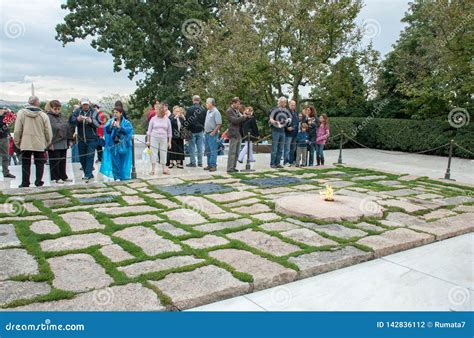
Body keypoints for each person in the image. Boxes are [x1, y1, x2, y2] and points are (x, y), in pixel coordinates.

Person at [14, 96, 52, 187]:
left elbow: (17, 130)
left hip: (25, 142)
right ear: (37, 103)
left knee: (26, 163)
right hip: (39, 142)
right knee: (40, 163)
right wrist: (48, 142)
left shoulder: (21, 113)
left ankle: (25, 182)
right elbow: (48, 131)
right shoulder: (43, 115)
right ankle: (38, 182)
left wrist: (17, 142)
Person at [70, 98, 101, 182]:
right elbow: (71, 121)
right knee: (82, 158)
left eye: (86, 104)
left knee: (90, 156)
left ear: (89, 104)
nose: (85, 106)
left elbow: (98, 124)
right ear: (81, 104)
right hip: (81, 139)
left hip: (92, 139)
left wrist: (91, 121)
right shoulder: (77, 111)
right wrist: (77, 119)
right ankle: (89, 174)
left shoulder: (94, 112)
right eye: (83, 104)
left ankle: (87, 175)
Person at [100, 108, 134, 180]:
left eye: (117, 112)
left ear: (121, 113)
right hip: (113, 146)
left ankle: (123, 176)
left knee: (123, 162)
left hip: (124, 146)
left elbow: (129, 132)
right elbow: (107, 132)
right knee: (114, 162)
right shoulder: (110, 122)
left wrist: (120, 127)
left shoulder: (126, 123)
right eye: (114, 112)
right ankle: (116, 177)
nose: (115, 114)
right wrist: (111, 127)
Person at [47, 100, 72, 183]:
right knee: (55, 160)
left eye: (58, 109)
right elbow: (48, 131)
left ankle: (63, 175)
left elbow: (68, 127)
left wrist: (69, 139)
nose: (57, 110)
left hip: (63, 141)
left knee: (62, 160)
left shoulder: (62, 116)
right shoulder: (48, 117)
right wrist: (49, 143)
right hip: (54, 142)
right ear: (51, 108)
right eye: (55, 109)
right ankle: (56, 177)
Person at [146, 104, 172, 175]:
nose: (155, 111)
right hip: (154, 138)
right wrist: (148, 140)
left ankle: (164, 168)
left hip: (164, 138)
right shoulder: (153, 119)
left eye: (156, 109)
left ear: (161, 110)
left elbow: (169, 132)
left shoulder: (167, 119)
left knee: (163, 153)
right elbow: (149, 131)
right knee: (153, 153)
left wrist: (169, 142)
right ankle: (153, 169)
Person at [226, 97, 248, 173]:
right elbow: (234, 121)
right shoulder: (229, 111)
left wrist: (246, 116)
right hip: (233, 133)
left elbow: (241, 120)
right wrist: (243, 117)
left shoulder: (237, 111)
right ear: (233, 103)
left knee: (236, 152)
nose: (239, 106)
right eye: (237, 104)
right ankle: (229, 168)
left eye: (239, 104)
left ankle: (233, 167)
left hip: (239, 133)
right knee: (232, 152)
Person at [185, 95, 206, 167]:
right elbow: (204, 120)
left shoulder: (189, 109)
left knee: (192, 147)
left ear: (193, 100)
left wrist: (186, 131)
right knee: (200, 147)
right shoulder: (203, 109)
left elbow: (187, 121)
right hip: (200, 130)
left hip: (192, 130)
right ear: (199, 100)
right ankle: (200, 162)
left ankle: (193, 162)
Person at [269, 97, 289, 168]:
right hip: (275, 131)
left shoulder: (285, 111)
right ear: (280, 102)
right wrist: (275, 122)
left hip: (282, 131)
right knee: (274, 148)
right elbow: (270, 120)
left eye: (285, 102)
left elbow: (286, 120)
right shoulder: (274, 110)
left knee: (281, 149)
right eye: (284, 102)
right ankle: (272, 163)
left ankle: (277, 163)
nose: (285, 104)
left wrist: (287, 121)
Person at [203, 98, 222, 172]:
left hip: (212, 134)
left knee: (213, 150)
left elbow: (219, 124)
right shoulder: (208, 111)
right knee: (207, 150)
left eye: (207, 103)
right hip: (206, 133)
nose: (206, 104)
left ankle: (213, 165)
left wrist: (213, 132)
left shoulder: (216, 112)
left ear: (211, 104)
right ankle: (209, 165)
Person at [0, 107, 15, 178]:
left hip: (4, 138)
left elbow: (14, 117)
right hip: (3, 137)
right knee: (5, 156)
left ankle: (6, 172)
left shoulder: (5, 118)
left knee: (5, 156)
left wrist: (9, 111)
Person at [284, 100, 299, 166]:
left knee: (293, 149)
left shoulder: (296, 113)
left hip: (295, 133)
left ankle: (291, 161)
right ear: (289, 105)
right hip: (288, 133)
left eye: (294, 105)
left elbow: (297, 122)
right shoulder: (286, 112)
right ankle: (285, 162)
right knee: (287, 149)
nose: (293, 106)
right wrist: (287, 127)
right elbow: (283, 122)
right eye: (292, 105)